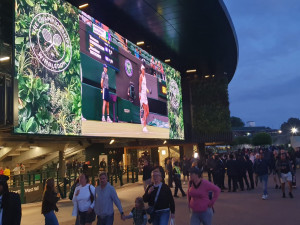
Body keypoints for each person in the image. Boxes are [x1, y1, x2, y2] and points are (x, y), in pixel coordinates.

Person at [139, 64, 150, 132]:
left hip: (145, 95)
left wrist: (147, 89)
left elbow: (144, 86)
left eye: (144, 69)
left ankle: (143, 120)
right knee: (145, 111)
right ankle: (144, 127)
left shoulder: (145, 77)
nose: (144, 70)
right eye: (143, 69)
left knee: (148, 112)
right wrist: (140, 95)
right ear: (141, 70)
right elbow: (140, 86)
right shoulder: (141, 76)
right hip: (142, 96)